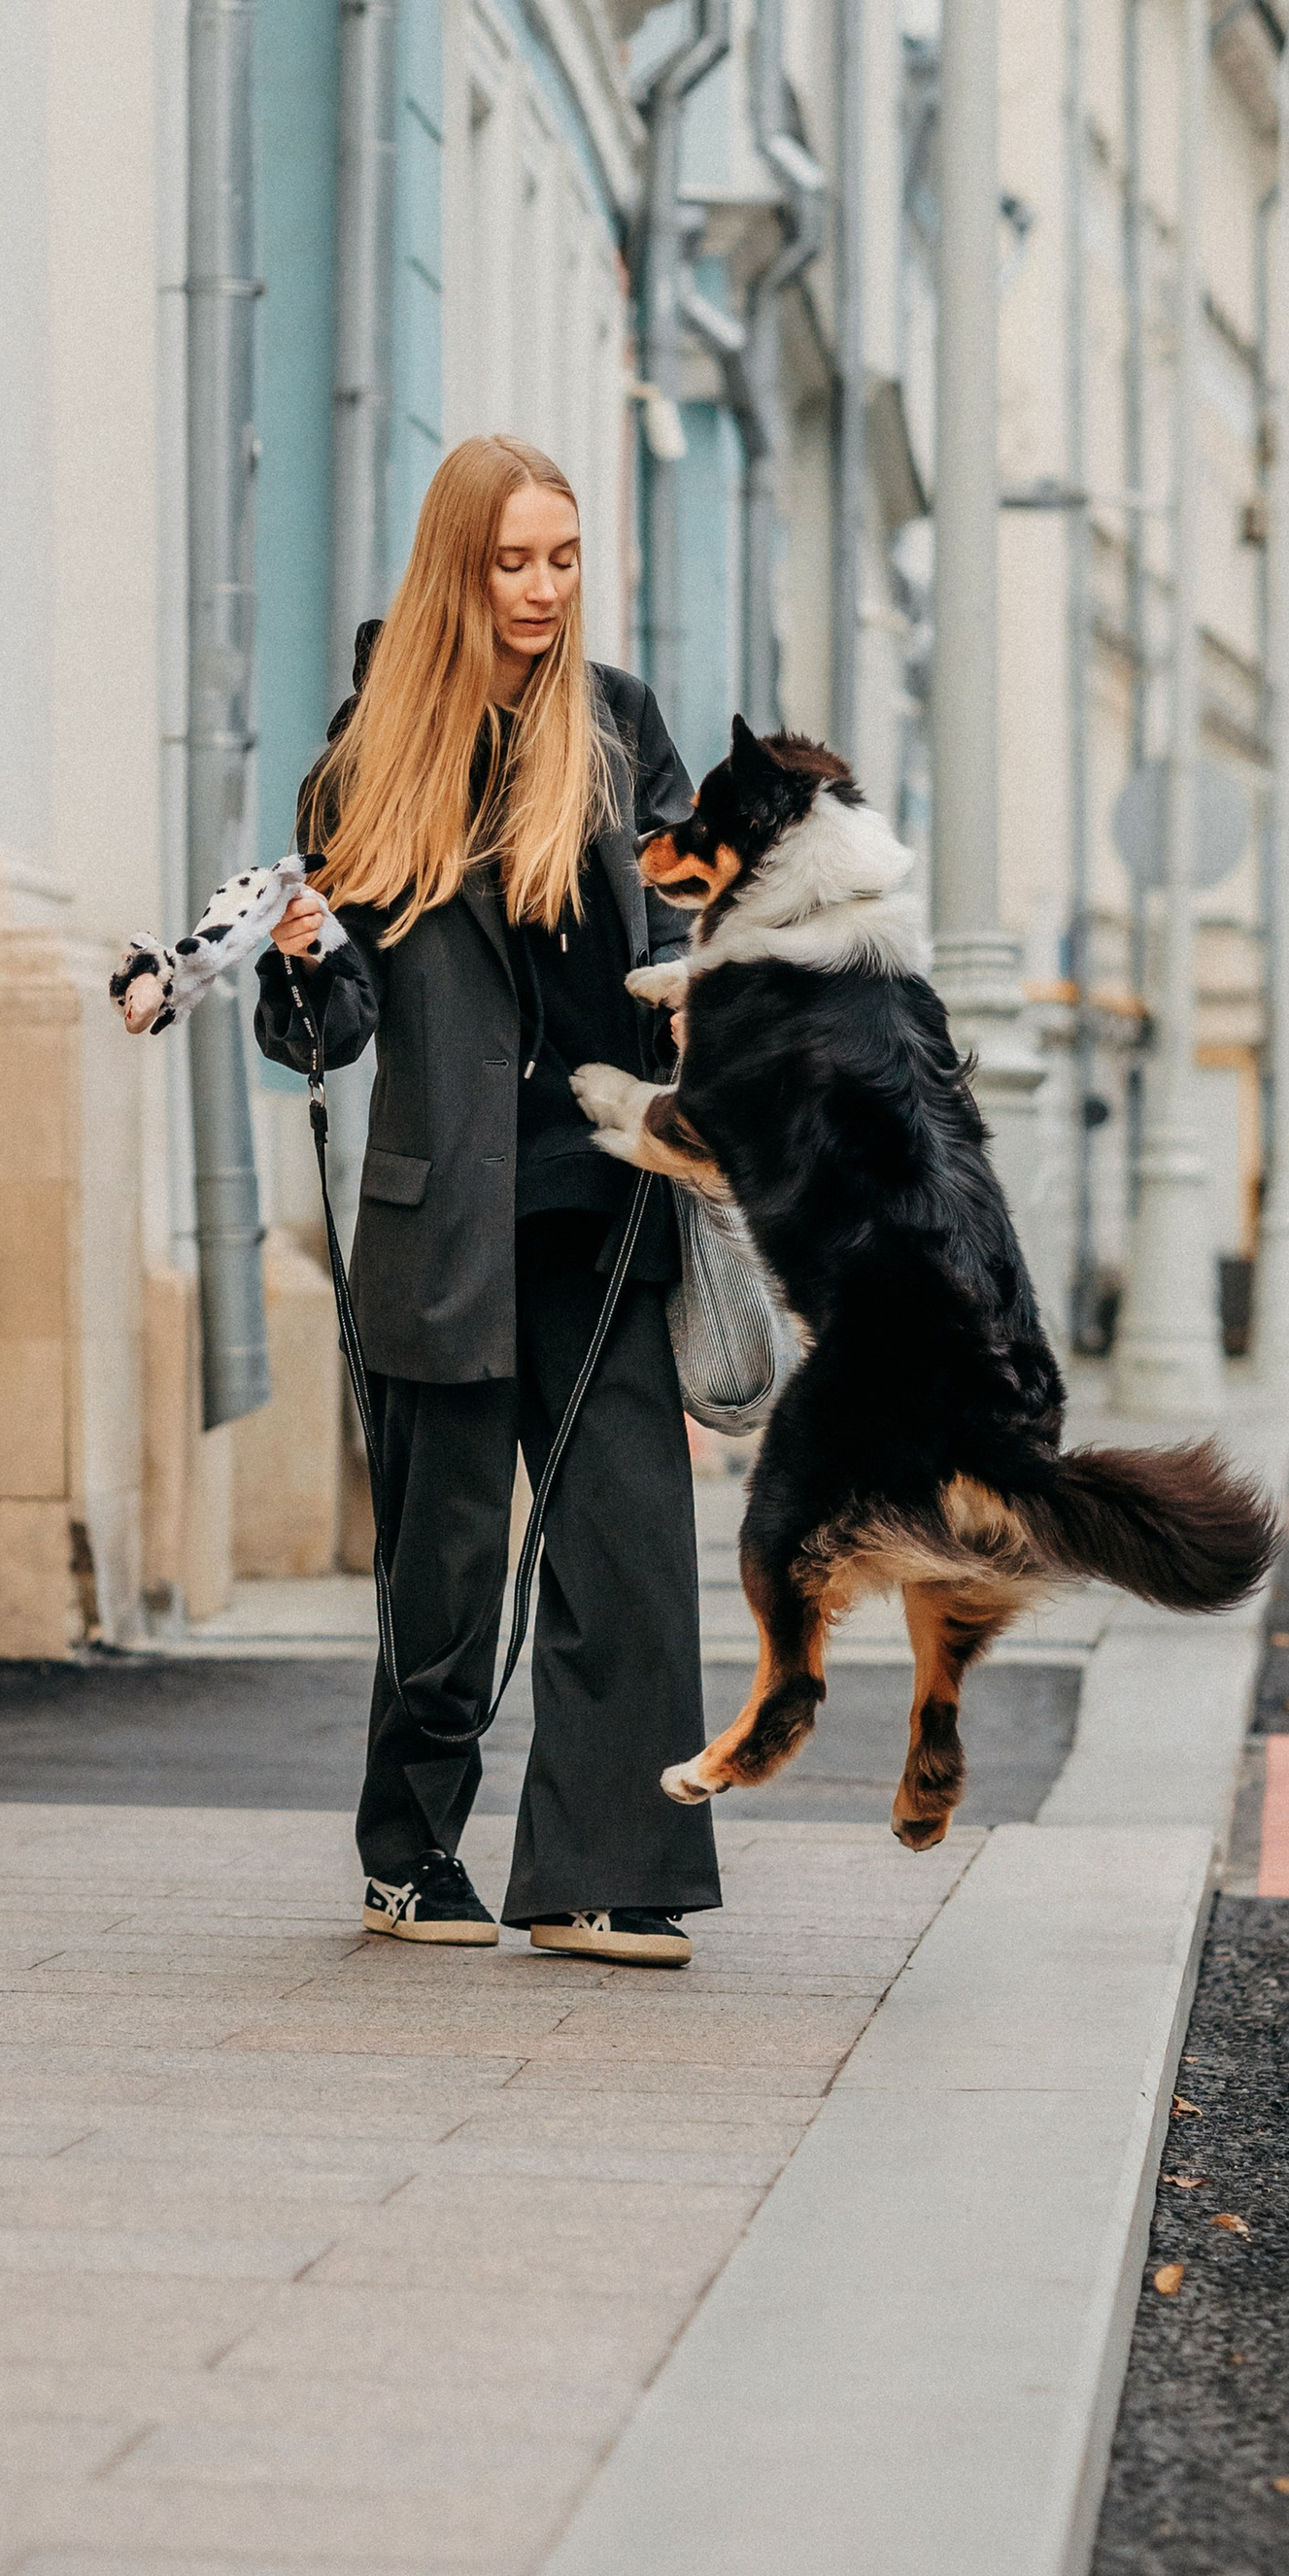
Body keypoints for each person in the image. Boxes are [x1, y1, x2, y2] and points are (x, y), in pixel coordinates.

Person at [254, 433, 721, 1967]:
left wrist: (698, 1003)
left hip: (600, 1202)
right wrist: (307, 963)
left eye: (562, 559)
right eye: (512, 561)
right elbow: (327, 1020)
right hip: (443, 1206)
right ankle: (411, 1847)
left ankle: (603, 1868)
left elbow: (673, 918)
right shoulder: (374, 746)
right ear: (459, 566)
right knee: (445, 1565)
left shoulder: (619, 727)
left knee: (630, 1547)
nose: (540, 589)